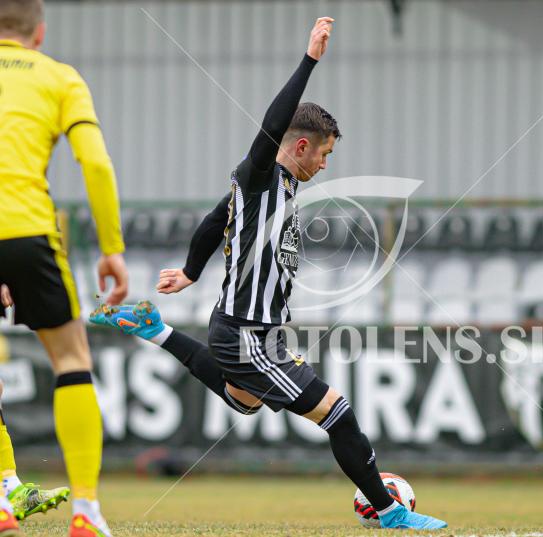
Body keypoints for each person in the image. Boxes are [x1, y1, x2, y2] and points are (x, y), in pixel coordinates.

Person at [90, 16, 446, 531]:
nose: (325, 164)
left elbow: (215, 219)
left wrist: (190, 270)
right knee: (338, 414)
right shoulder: (260, 176)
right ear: (300, 147)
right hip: (246, 333)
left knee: (244, 402)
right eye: (324, 153)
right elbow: (271, 125)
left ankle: (156, 329)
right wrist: (310, 60)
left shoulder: (270, 191)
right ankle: (390, 512)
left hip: (250, 329)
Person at [0, 0, 129, 535]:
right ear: (39, 33)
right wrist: (111, 248)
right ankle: (85, 510)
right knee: (72, 358)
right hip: (27, 230)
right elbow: (94, 162)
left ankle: (1, 496)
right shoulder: (59, 77)